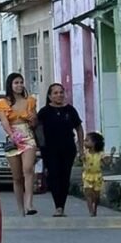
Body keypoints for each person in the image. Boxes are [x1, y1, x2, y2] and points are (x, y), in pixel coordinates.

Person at [0, 72, 39, 215]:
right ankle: (21, 209)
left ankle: (29, 204)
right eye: (16, 83)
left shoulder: (30, 101)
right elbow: (4, 122)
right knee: (17, 177)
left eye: (21, 82)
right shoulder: (2, 103)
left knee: (28, 169)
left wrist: (33, 119)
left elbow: (35, 123)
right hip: (13, 138)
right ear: (10, 85)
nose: (19, 85)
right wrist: (12, 135)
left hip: (28, 136)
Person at [37, 83, 85, 217]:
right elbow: (38, 129)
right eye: (55, 93)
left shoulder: (70, 110)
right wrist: (39, 146)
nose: (59, 95)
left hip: (68, 149)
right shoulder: (44, 112)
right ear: (49, 96)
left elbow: (79, 128)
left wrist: (81, 148)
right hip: (49, 150)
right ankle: (57, 205)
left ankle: (61, 207)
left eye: (61, 92)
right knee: (53, 175)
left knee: (65, 177)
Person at [82, 132, 105, 217]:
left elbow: (106, 162)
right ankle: (91, 211)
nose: (84, 142)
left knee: (96, 195)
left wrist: (108, 159)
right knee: (88, 193)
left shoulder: (100, 154)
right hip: (87, 175)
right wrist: (81, 158)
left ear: (94, 143)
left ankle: (95, 207)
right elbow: (80, 159)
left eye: (87, 140)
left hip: (97, 176)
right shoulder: (85, 153)